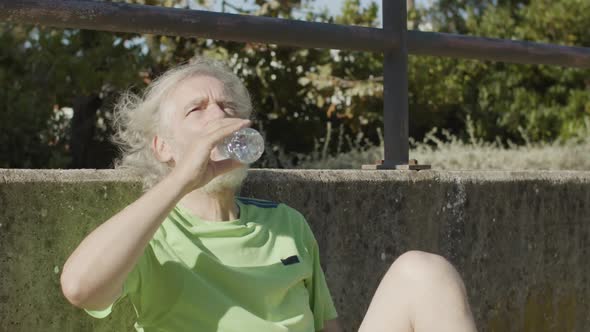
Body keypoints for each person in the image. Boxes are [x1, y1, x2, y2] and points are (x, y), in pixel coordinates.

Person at [60, 57, 477, 332]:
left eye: (228, 108)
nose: (219, 117)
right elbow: (80, 288)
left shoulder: (286, 223)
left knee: (423, 272)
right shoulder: (151, 234)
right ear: (163, 148)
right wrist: (181, 181)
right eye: (197, 109)